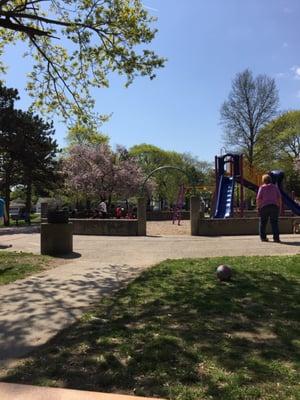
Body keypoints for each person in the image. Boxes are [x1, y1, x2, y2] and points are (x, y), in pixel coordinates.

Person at [256, 174, 282, 243]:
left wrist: (258, 207)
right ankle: (276, 238)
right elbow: (279, 197)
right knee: (274, 223)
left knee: (263, 223)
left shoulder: (262, 187)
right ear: (270, 180)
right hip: (274, 206)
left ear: (263, 180)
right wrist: (279, 207)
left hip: (264, 207)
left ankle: (263, 238)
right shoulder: (275, 187)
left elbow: (258, 199)